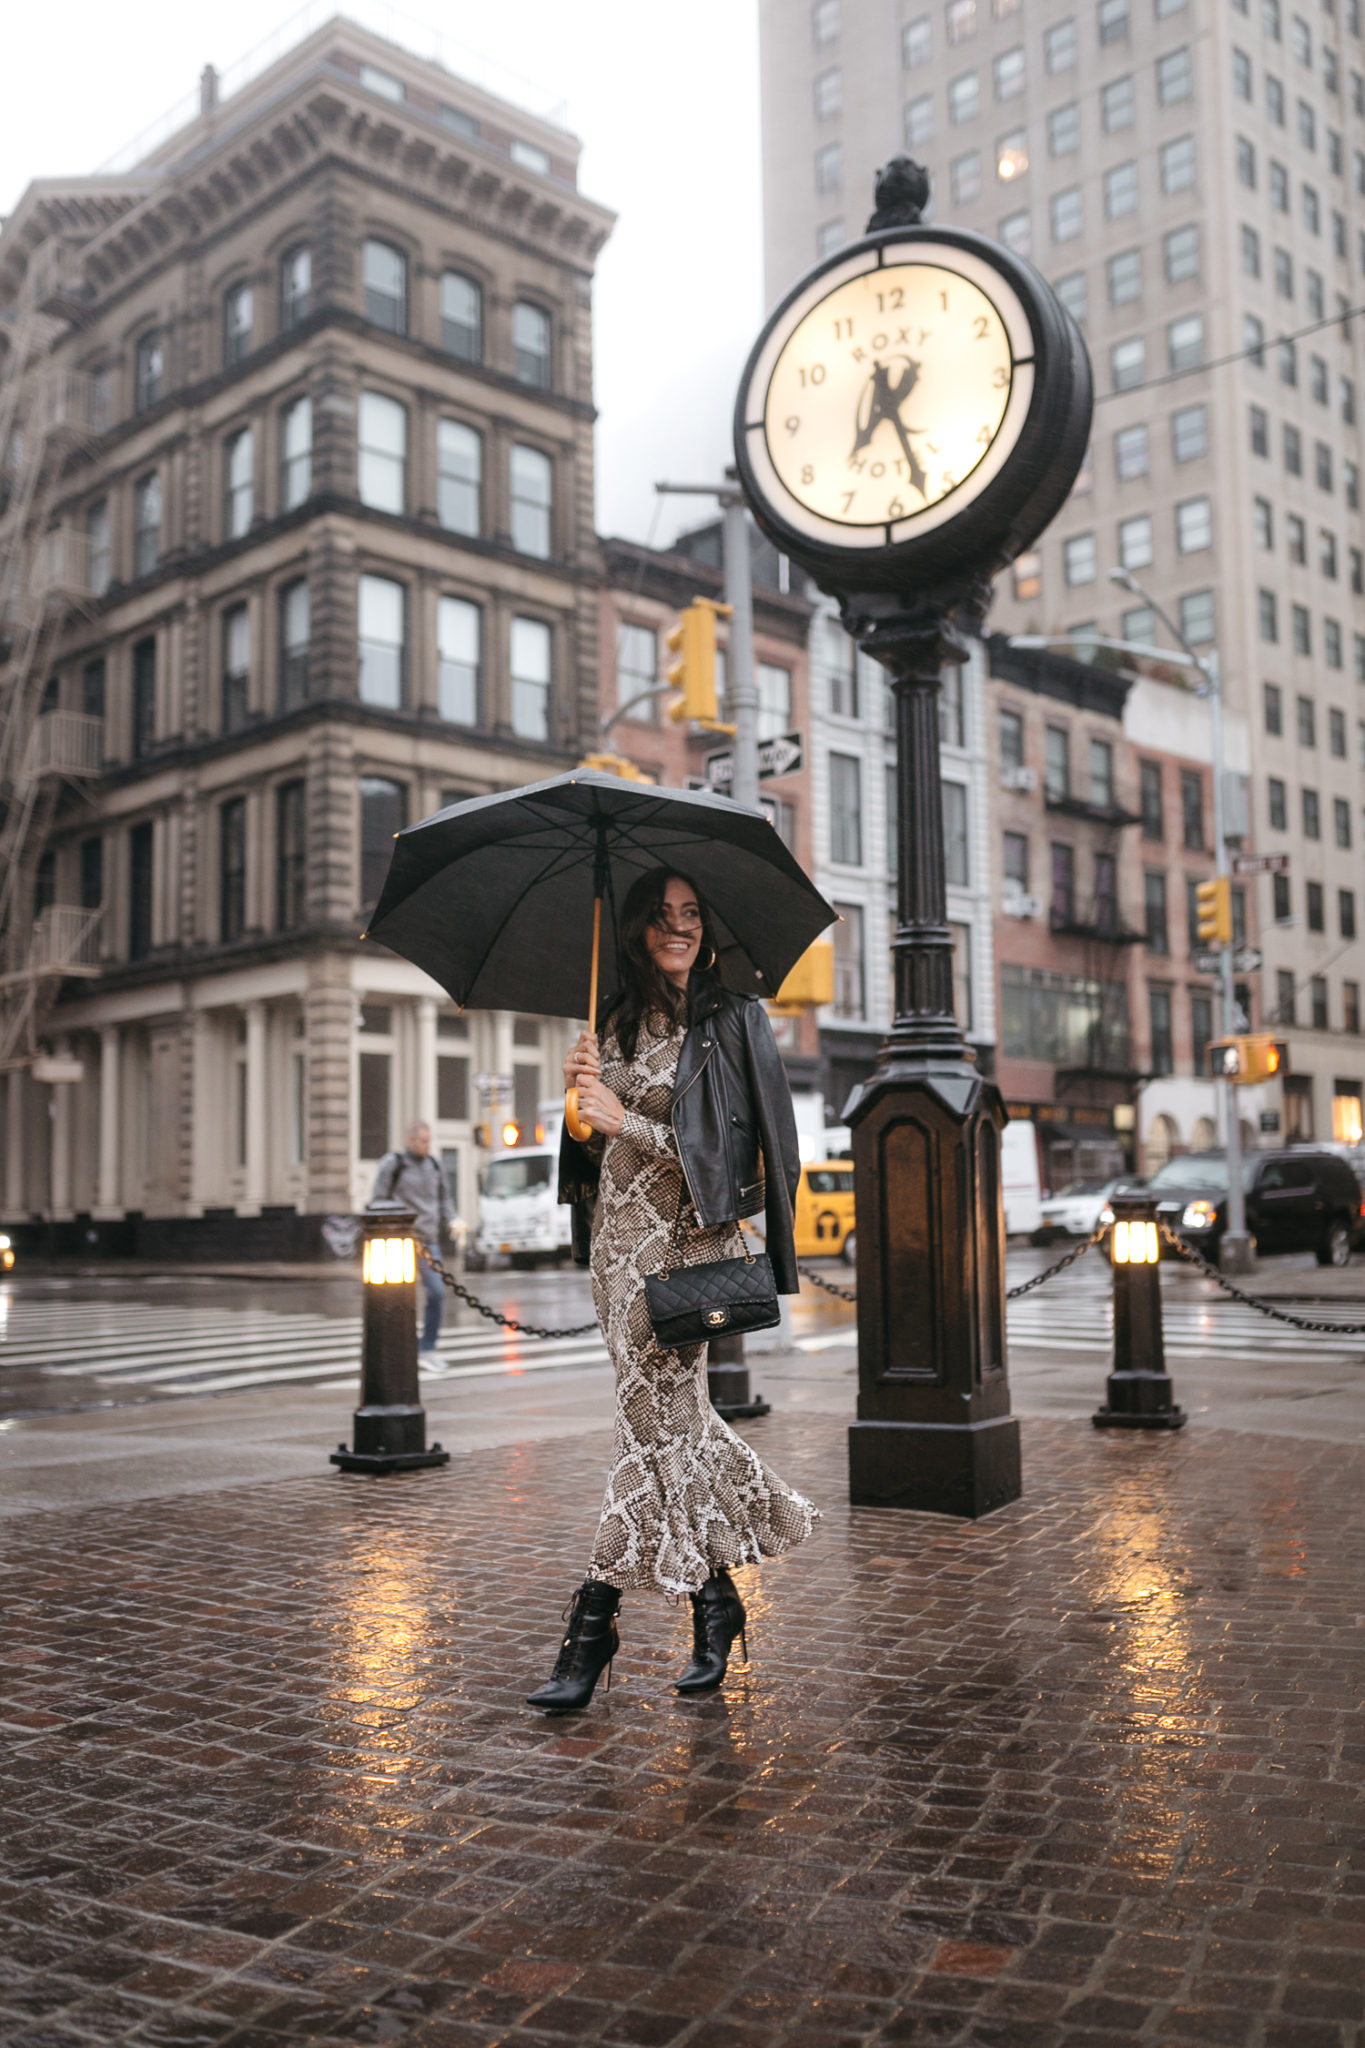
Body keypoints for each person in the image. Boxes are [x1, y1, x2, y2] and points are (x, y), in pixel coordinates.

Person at [528, 868, 819, 1712]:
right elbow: (591, 1161)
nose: (679, 928)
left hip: (687, 1251)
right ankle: (716, 1604)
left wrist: (633, 1124)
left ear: (709, 931)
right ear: (635, 931)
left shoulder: (729, 1022)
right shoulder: (609, 1021)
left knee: (646, 1428)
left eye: (692, 915)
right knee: (668, 1429)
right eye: (662, 918)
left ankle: (593, 1624)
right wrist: (580, 1116)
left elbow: (750, 1166)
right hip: (616, 1253)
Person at [370, 1121, 455, 1367]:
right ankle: (396, 1347)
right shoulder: (393, 1164)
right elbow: (378, 1199)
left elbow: (444, 1200)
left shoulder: (435, 1165)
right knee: (395, 1297)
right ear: (410, 1141)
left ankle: (427, 1347)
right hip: (400, 1241)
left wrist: (453, 1220)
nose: (427, 1145)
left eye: (429, 1140)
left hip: (428, 1242)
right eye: (423, 1141)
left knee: (437, 1293)